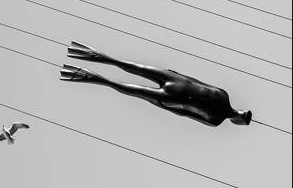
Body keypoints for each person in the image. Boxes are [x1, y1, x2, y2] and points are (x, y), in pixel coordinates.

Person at [60, 41, 251, 127]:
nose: (242, 114)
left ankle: (89, 73)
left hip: (175, 90)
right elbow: (192, 95)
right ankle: (89, 64)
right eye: (244, 115)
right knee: (129, 72)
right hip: (176, 85)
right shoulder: (220, 105)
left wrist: (164, 101)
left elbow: (188, 107)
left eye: (244, 116)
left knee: (130, 79)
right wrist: (165, 99)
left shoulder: (219, 109)